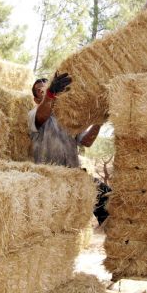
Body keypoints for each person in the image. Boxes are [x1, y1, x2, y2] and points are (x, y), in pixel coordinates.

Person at [28, 73, 110, 224]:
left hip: (73, 175)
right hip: (49, 177)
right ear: (36, 99)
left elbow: (86, 141)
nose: (45, 92)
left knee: (108, 199)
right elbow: (41, 115)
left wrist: (99, 122)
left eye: (48, 89)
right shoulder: (34, 115)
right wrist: (50, 94)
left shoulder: (69, 118)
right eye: (41, 91)